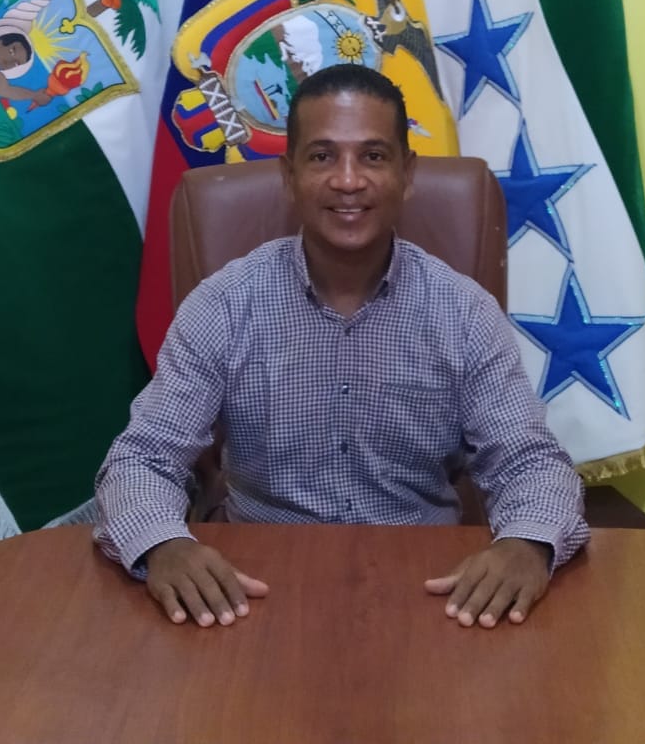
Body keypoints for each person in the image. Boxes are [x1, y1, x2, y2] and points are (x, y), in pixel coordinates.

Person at [94, 65, 588, 629]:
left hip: (431, 591)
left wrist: (527, 543)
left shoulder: (464, 312)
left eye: (373, 156)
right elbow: (142, 459)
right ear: (289, 175)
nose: (348, 180)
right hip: (253, 589)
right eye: (322, 156)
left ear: (407, 173)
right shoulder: (225, 305)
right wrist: (164, 544)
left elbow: (529, 461)